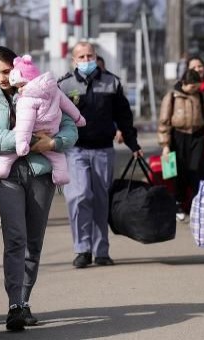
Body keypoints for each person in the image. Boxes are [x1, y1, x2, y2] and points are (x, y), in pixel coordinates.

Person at [0, 46, 79, 331]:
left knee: (34, 241)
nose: (2, 78)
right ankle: (14, 304)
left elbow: (70, 127)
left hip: (40, 174)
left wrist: (54, 143)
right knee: (16, 238)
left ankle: (24, 298)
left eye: (6, 71)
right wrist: (30, 138)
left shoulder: (42, 88)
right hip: (6, 176)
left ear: (17, 66)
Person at [58, 41, 143, 269]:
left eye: (90, 55)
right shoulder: (64, 86)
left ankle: (101, 250)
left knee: (100, 199)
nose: (86, 60)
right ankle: (82, 249)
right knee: (79, 196)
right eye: (82, 57)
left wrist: (133, 144)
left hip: (103, 149)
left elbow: (124, 116)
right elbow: (54, 118)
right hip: (75, 150)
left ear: (96, 57)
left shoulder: (111, 82)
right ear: (73, 60)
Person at [0, 54, 85, 184]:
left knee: (9, 154)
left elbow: (25, 124)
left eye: (6, 72)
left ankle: (2, 167)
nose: (2, 78)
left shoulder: (26, 99)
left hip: (34, 139)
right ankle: (61, 176)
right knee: (58, 158)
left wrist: (24, 142)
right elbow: (68, 105)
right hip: (52, 131)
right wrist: (79, 118)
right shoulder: (54, 90)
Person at [158, 69, 204, 220]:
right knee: (178, 171)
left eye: (197, 86)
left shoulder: (202, 97)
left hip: (197, 136)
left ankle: (196, 203)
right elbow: (164, 122)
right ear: (183, 84)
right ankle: (178, 203)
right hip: (178, 136)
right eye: (192, 87)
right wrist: (165, 145)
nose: (194, 89)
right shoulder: (172, 97)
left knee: (196, 170)